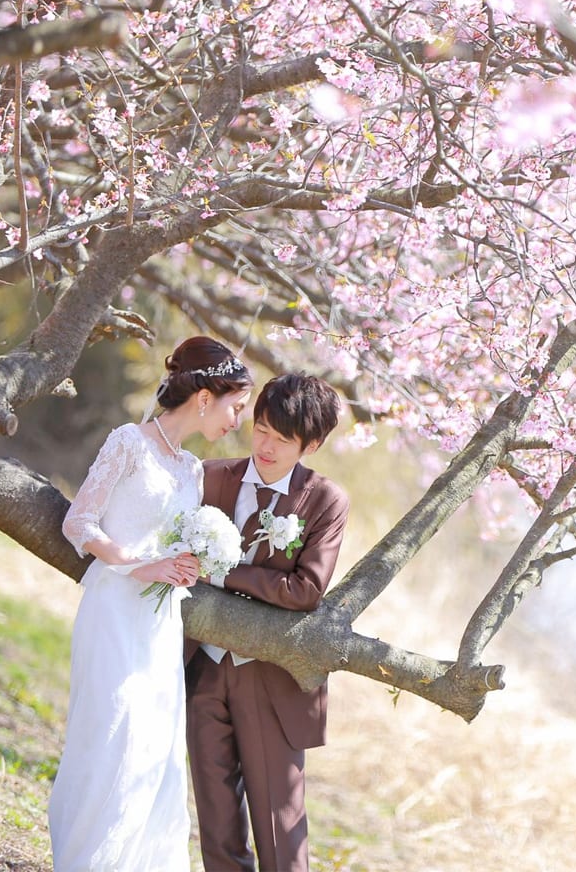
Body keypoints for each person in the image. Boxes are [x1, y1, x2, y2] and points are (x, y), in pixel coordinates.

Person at [49, 336, 253, 872]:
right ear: (206, 396)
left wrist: (187, 562)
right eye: (236, 407)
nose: (237, 422)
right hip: (114, 608)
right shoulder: (128, 443)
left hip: (160, 621)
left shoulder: (190, 469)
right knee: (113, 732)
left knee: (154, 746)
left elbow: (168, 539)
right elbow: (80, 522)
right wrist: (137, 565)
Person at [185, 372, 349, 872]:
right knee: (216, 827)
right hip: (203, 669)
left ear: (312, 444)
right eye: (260, 430)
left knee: (281, 832)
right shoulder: (211, 477)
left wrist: (228, 571)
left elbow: (305, 590)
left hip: (271, 679)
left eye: (282, 440)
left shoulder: (324, 500)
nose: (266, 447)